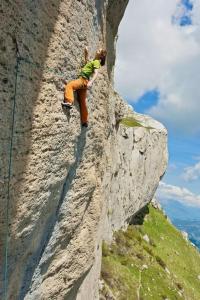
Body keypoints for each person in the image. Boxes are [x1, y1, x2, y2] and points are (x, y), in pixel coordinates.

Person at [62, 47, 107, 127]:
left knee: (70, 85)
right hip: (84, 84)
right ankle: (84, 121)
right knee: (82, 102)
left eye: (99, 50)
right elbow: (87, 64)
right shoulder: (94, 61)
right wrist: (86, 54)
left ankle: (69, 102)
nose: (97, 50)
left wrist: (91, 82)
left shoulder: (96, 62)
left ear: (101, 55)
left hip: (83, 80)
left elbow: (96, 73)